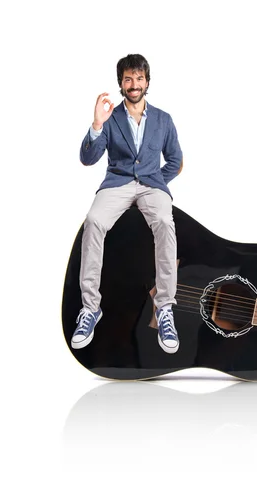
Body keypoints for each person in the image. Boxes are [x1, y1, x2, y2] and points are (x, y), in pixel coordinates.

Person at [71, 54, 183, 354]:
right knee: (93, 221)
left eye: (139, 78)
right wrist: (97, 124)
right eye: (128, 79)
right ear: (121, 83)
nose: (134, 85)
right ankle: (90, 308)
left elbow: (176, 161)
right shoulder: (111, 118)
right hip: (116, 184)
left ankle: (164, 308)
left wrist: (157, 180)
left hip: (152, 186)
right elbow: (87, 159)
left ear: (147, 81)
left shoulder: (163, 119)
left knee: (164, 222)